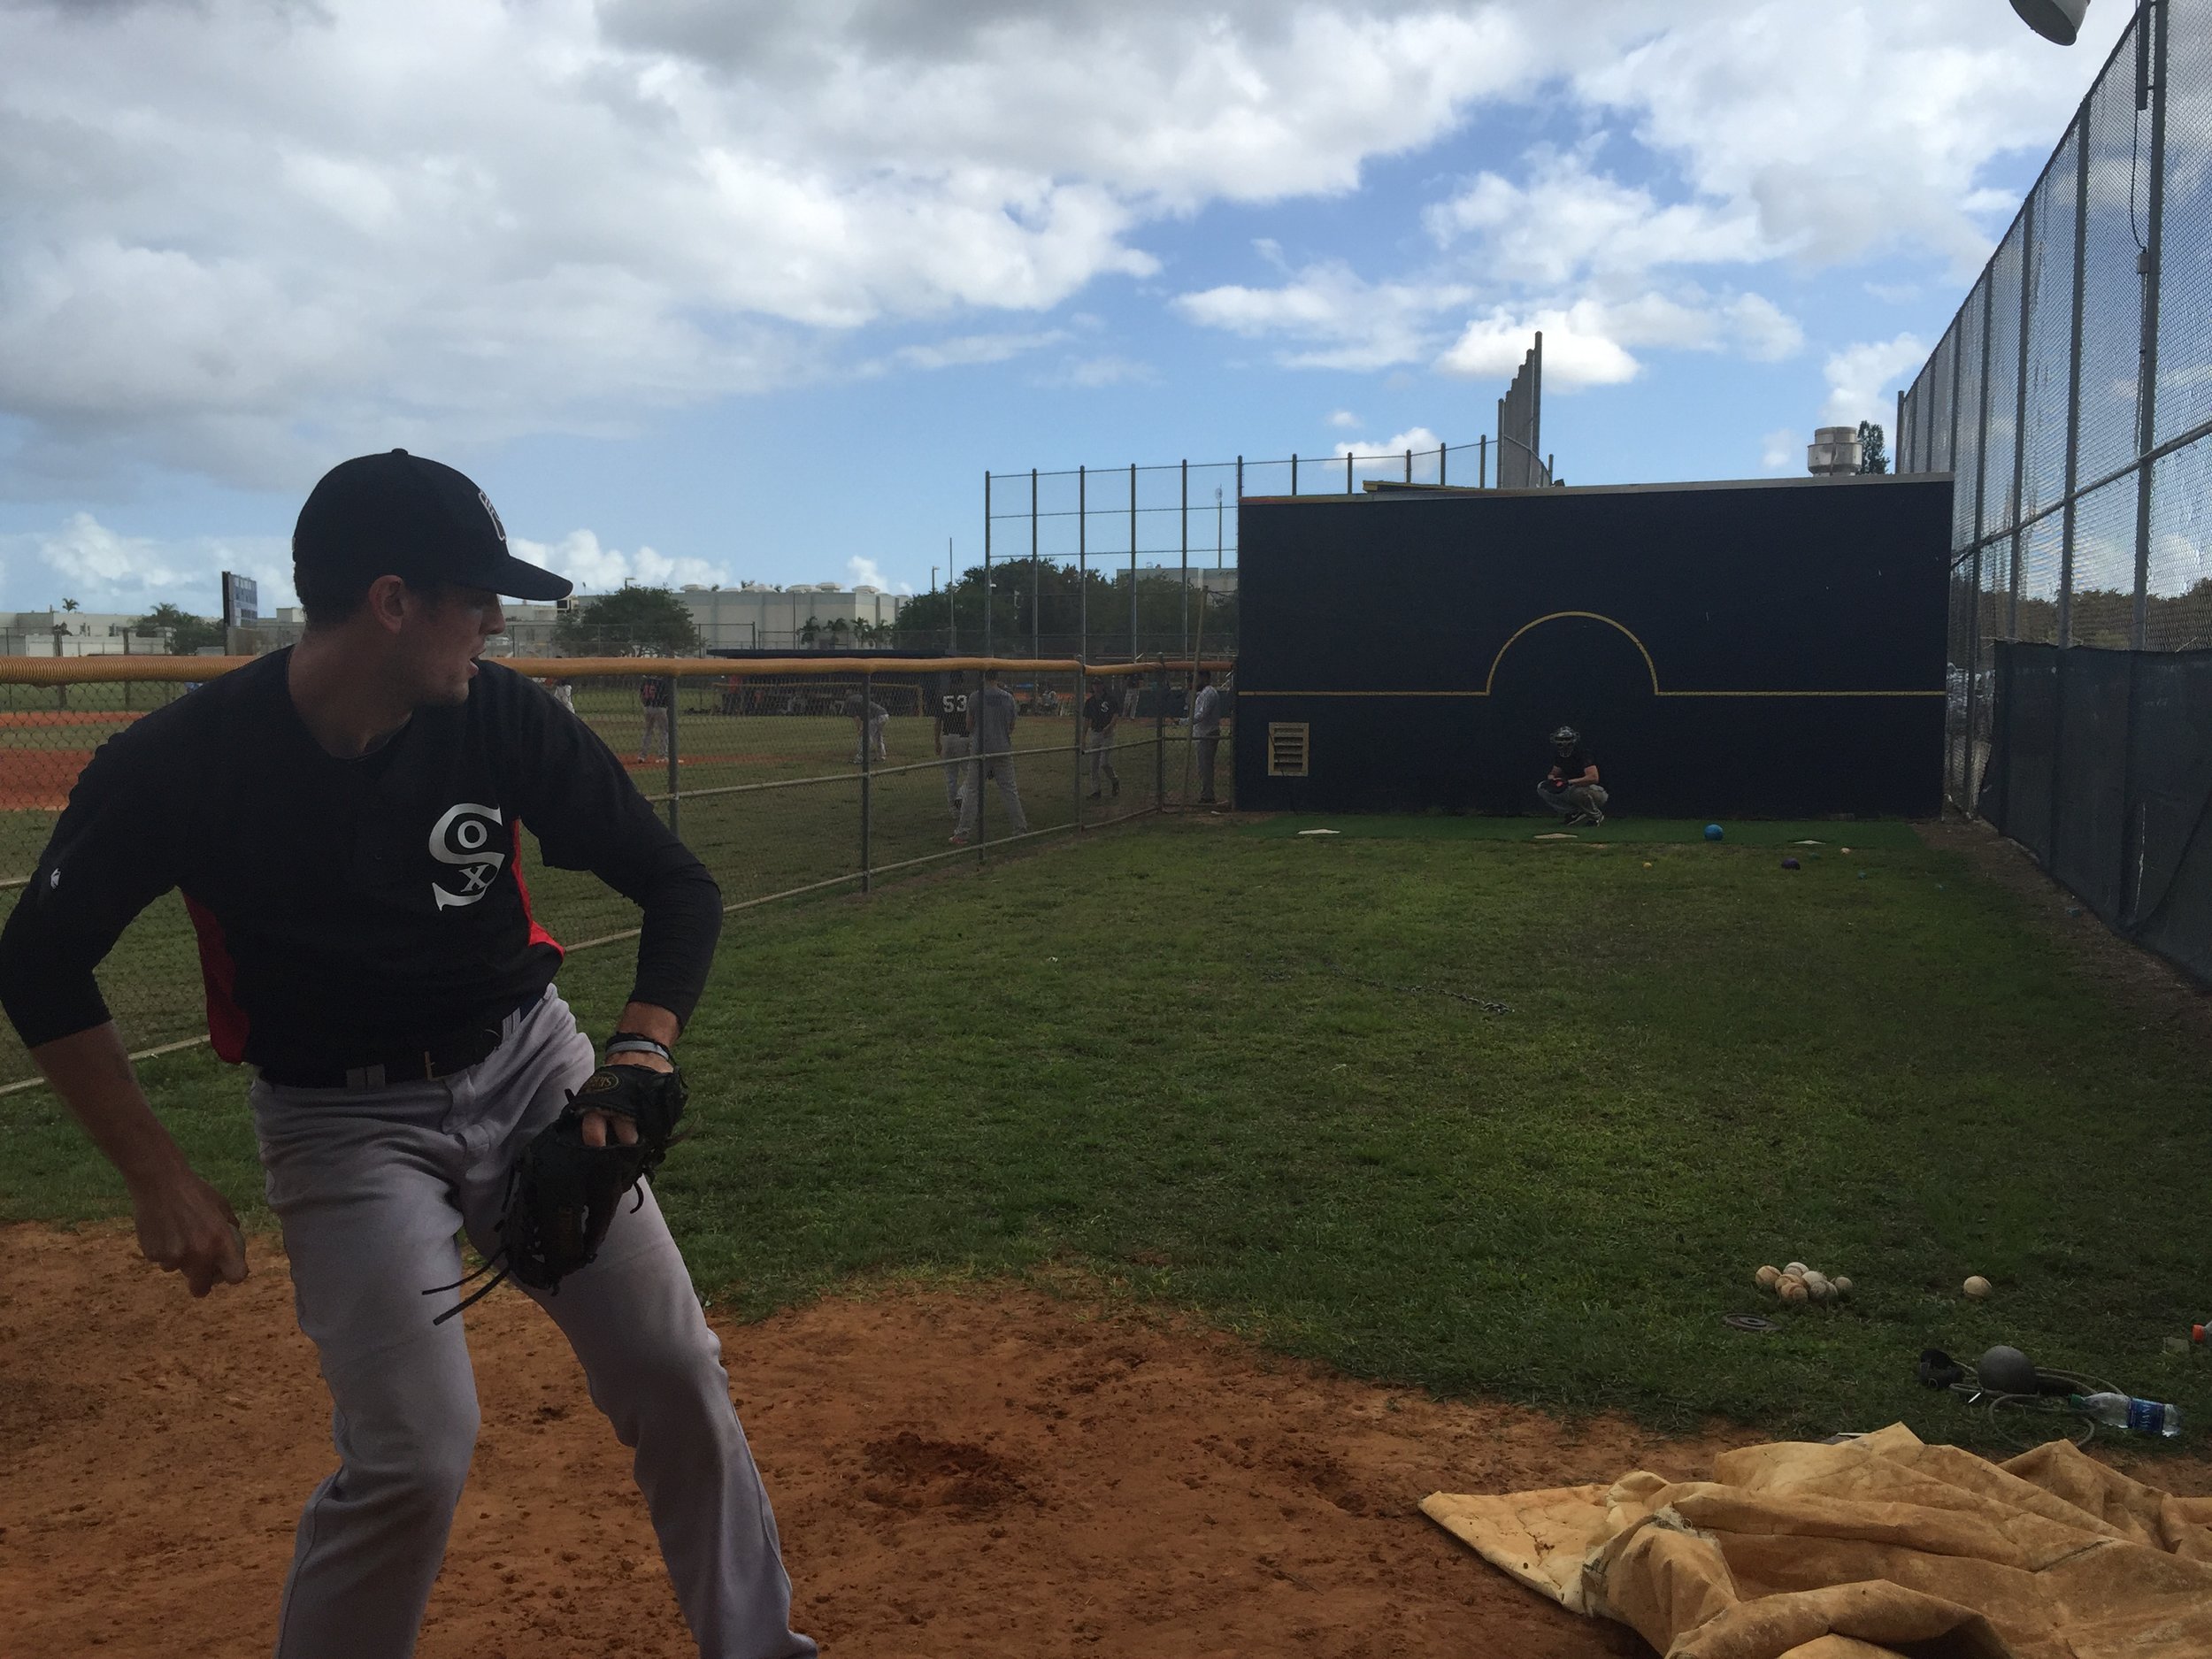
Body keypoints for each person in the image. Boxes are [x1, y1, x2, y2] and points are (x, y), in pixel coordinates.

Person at [0, 449, 813, 1659]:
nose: (494, 619)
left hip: (533, 1068)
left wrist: (639, 1051)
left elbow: (676, 884)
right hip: (341, 1122)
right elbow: (39, 960)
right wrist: (156, 1175)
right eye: (473, 594)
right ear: (391, 601)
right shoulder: (181, 763)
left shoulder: (498, 714)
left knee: (676, 1368)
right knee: (413, 1454)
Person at [950, 666, 1026, 845]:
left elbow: (969, 725)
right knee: (1010, 790)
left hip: (980, 749)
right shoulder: (1008, 697)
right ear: (997, 677)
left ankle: (962, 833)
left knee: (972, 791)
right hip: (1002, 747)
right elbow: (1011, 726)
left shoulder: (976, 697)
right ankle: (1020, 829)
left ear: (983, 677)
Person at [1539, 724, 1609, 826]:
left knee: (1577, 791)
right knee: (1543, 787)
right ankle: (1572, 812)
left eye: (1567, 739)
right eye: (1560, 739)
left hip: (1596, 791)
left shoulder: (1583, 754)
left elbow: (1593, 778)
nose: (1564, 743)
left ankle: (1596, 816)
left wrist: (1568, 782)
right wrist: (1552, 780)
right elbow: (1553, 773)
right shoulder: (1560, 756)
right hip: (1573, 788)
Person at [935, 670, 973, 818]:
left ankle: (953, 811)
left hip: (947, 737)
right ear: (962, 681)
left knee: (950, 777)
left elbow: (938, 722)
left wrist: (937, 741)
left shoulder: (943, 696)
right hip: (963, 737)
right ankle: (960, 797)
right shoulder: (968, 696)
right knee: (971, 775)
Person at [1082, 678, 1120, 801]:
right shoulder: (1090, 702)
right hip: (1095, 732)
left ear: (1103, 686)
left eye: (1099, 684)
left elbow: (1115, 714)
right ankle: (1096, 791)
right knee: (1093, 764)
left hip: (1107, 733)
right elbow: (1087, 720)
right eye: (1095, 684)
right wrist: (1083, 738)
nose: (1097, 687)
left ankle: (1115, 780)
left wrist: (1110, 726)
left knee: (1104, 762)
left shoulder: (1110, 699)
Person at [1191, 668, 1224, 806]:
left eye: (1196, 678)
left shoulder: (1208, 693)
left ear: (1205, 677)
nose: (1195, 681)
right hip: (1204, 734)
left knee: (1205, 767)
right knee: (1202, 767)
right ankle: (1206, 794)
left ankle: (1208, 796)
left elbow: (1201, 715)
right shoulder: (1203, 693)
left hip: (1207, 734)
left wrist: (1185, 721)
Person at [639, 670, 671, 762]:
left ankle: (642, 756)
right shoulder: (663, 681)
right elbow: (668, 695)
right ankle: (662, 755)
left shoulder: (647, 680)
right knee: (664, 732)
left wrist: (646, 704)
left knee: (648, 731)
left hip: (648, 707)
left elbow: (641, 696)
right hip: (660, 708)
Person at [849, 694, 889, 764]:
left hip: (875, 717)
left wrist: (859, 730)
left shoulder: (850, 702)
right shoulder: (861, 699)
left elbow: (857, 718)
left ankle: (860, 758)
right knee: (878, 737)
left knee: (866, 737)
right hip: (884, 715)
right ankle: (881, 756)